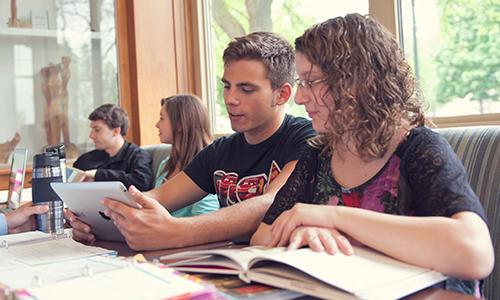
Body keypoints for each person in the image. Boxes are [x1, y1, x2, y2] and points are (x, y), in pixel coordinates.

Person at [250, 14, 494, 297]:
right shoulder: (318, 155)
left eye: (311, 81)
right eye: (300, 82)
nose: (300, 97)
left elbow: (476, 254)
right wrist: (302, 233)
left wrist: (335, 218)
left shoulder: (418, 148)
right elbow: (262, 235)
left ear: (358, 80)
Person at [68, 32, 316, 250]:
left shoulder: (304, 138)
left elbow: (270, 203)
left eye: (246, 89)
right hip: (222, 262)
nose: (230, 99)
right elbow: (160, 195)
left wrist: (175, 231)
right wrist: (98, 219)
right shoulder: (222, 149)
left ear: (282, 94)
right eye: (227, 86)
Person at [154, 94, 219, 217]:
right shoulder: (165, 164)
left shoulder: (205, 167)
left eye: (162, 118)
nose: (157, 125)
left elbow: (205, 220)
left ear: (179, 124)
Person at [73, 104, 153, 191]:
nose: (91, 135)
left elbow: (142, 182)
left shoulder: (138, 156)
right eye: (91, 129)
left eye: (97, 130)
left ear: (116, 131)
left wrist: (97, 175)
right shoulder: (85, 160)